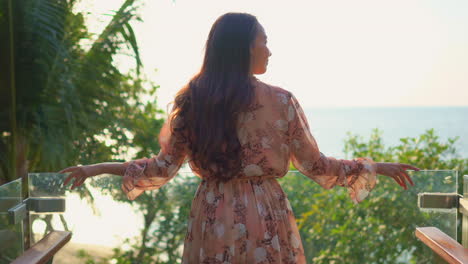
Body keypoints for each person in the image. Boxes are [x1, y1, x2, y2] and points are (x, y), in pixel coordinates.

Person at [59, 12, 419, 264]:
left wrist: (96, 169)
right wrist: (374, 167)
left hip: (213, 213)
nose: (269, 50)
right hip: (267, 212)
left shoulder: (194, 99)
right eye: (264, 40)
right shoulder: (280, 101)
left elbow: (161, 168)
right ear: (244, 47)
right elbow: (315, 165)